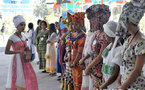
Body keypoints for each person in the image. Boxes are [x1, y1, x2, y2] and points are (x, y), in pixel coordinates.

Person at [79, 4, 110, 90]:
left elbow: (100, 56)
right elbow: (91, 51)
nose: (91, 23)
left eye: (93, 20)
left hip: (100, 70)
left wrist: (88, 67)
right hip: (93, 69)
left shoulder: (106, 36)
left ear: (101, 19)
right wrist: (83, 59)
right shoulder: (97, 33)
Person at [116, 2, 145, 89]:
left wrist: (123, 86)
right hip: (124, 84)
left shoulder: (141, 42)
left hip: (135, 86)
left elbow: (137, 70)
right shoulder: (128, 40)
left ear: (128, 20)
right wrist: (118, 82)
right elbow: (124, 64)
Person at [5, 15, 38, 90]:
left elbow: (25, 46)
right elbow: (6, 51)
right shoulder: (12, 37)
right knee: (19, 79)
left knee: (29, 76)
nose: (23, 27)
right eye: (21, 25)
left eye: (24, 25)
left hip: (25, 59)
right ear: (16, 26)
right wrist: (18, 51)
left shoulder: (23, 36)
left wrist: (27, 49)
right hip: (17, 61)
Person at [100, 21, 122, 89]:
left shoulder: (119, 50)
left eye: (106, 33)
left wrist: (104, 85)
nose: (104, 35)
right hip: (106, 82)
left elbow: (115, 74)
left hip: (113, 85)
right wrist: (104, 82)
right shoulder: (109, 46)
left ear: (110, 35)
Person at [67, 12, 86, 90]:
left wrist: (74, 62)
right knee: (74, 81)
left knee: (79, 82)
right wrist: (68, 56)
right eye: (73, 24)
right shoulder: (72, 35)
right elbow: (68, 47)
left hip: (78, 63)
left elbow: (80, 52)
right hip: (72, 62)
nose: (74, 26)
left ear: (81, 24)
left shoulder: (83, 37)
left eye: (76, 24)